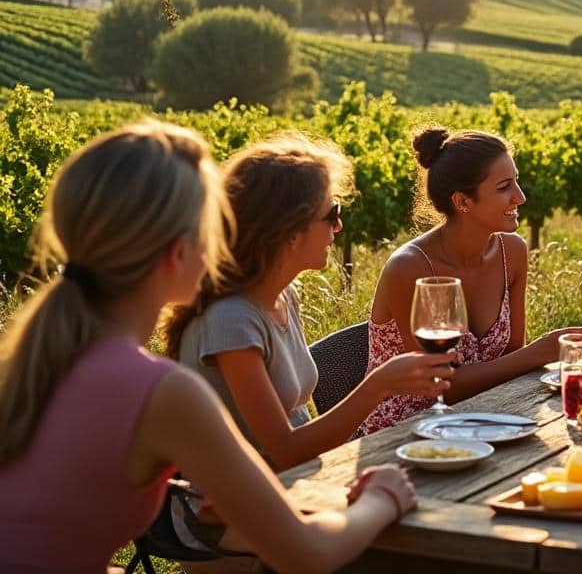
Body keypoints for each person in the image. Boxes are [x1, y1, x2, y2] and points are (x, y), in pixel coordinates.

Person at [0, 121, 415, 573]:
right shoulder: (162, 390)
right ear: (179, 251)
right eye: (213, 223)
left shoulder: (38, 360)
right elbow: (307, 555)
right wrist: (383, 497)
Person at [164, 134, 457, 471]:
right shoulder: (230, 320)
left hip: (298, 481)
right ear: (289, 229)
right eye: (332, 213)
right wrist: (380, 384)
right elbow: (284, 450)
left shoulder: (283, 295)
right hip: (237, 509)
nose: (339, 226)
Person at [363, 127, 582, 434]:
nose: (521, 197)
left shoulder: (511, 252)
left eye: (517, 181)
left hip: (483, 418)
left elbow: (512, 355)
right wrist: (540, 351)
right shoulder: (409, 268)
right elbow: (440, 385)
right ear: (462, 201)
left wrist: (534, 357)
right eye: (504, 187)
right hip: (402, 435)